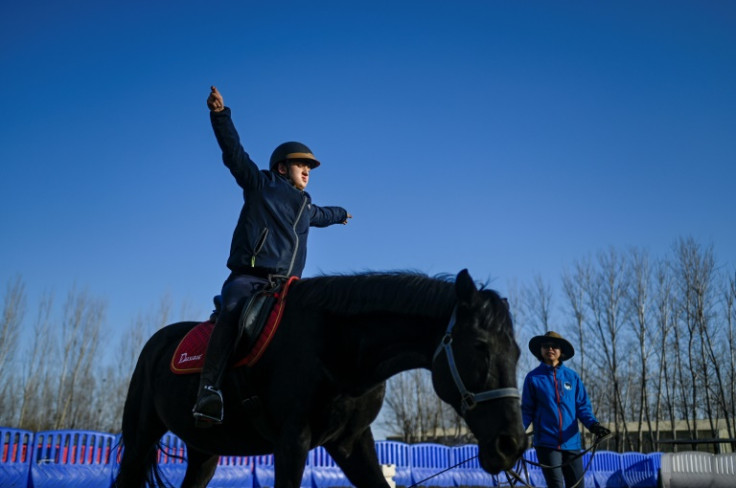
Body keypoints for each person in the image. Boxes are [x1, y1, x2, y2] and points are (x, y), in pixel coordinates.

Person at [192, 86, 351, 427]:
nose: (307, 170)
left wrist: (341, 214)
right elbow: (234, 154)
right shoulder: (260, 184)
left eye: (310, 167)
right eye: (301, 164)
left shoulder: (307, 206)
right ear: (281, 168)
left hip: (288, 286)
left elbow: (323, 215)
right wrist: (221, 116)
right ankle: (208, 390)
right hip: (249, 280)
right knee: (232, 312)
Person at [521, 331, 611, 488]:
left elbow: (582, 407)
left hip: (572, 443)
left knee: (577, 485)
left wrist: (593, 425)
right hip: (546, 444)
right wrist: (517, 432)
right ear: (540, 350)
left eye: (554, 346)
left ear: (561, 351)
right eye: (546, 346)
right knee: (556, 485)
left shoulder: (572, 377)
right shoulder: (533, 378)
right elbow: (527, 410)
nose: (550, 349)